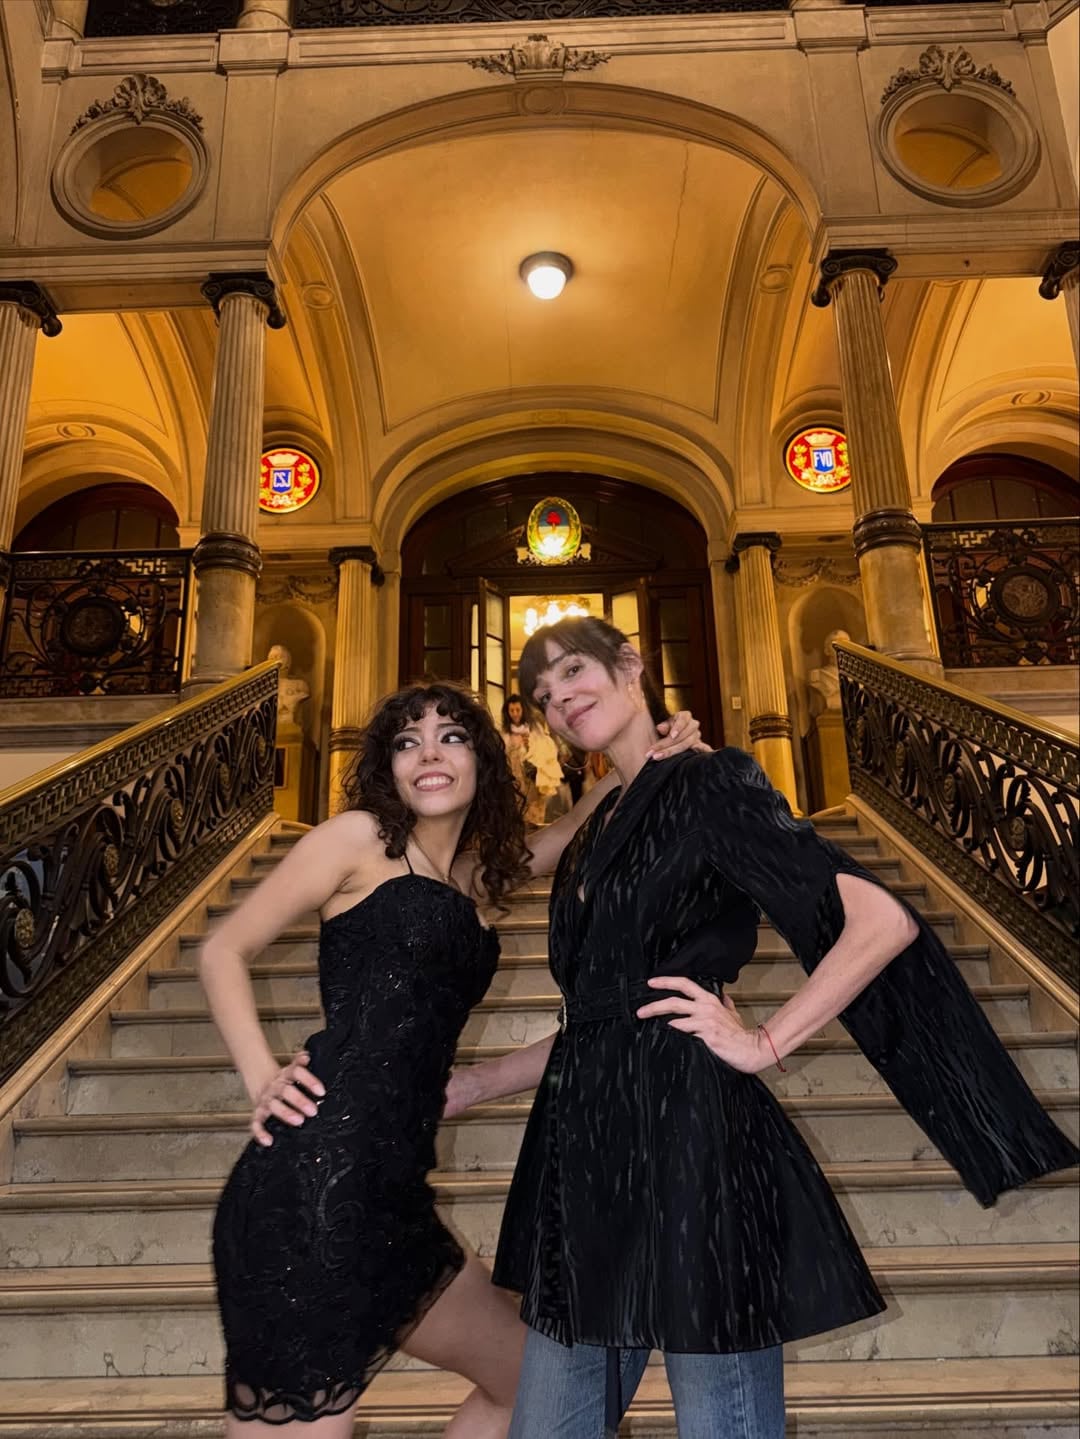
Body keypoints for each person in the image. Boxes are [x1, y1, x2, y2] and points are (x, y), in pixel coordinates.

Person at [445, 616, 1080, 1439]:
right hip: (587, 1146)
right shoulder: (604, 821)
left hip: (692, 1144)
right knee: (547, 1426)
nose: (561, 698)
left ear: (631, 663)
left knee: (722, 1423)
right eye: (543, 695)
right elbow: (598, 1001)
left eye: (574, 672)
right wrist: (484, 1080)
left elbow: (879, 921)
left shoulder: (716, 784)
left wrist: (765, 1041)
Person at [200, 679, 703, 1436]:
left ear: (482, 761)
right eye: (407, 741)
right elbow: (222, 948)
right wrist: (261, 1075)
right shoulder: (360, 840)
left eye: (451, 736)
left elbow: (567, 829)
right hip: (311, 1187)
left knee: (536, 1382)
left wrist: (646, 751)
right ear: (387, 767)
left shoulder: (467, 879)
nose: (429, 752)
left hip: (393, 1199)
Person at [501, 692, 563, 826]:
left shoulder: (534, 730)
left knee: (534, 818)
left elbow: (547, 752)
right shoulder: (505, 734)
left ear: (523, 710)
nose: (515, 713)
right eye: (511, 710)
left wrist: (530, 746)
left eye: (518, 709)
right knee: (516, 818)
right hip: (513, 784)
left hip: (532, 780)